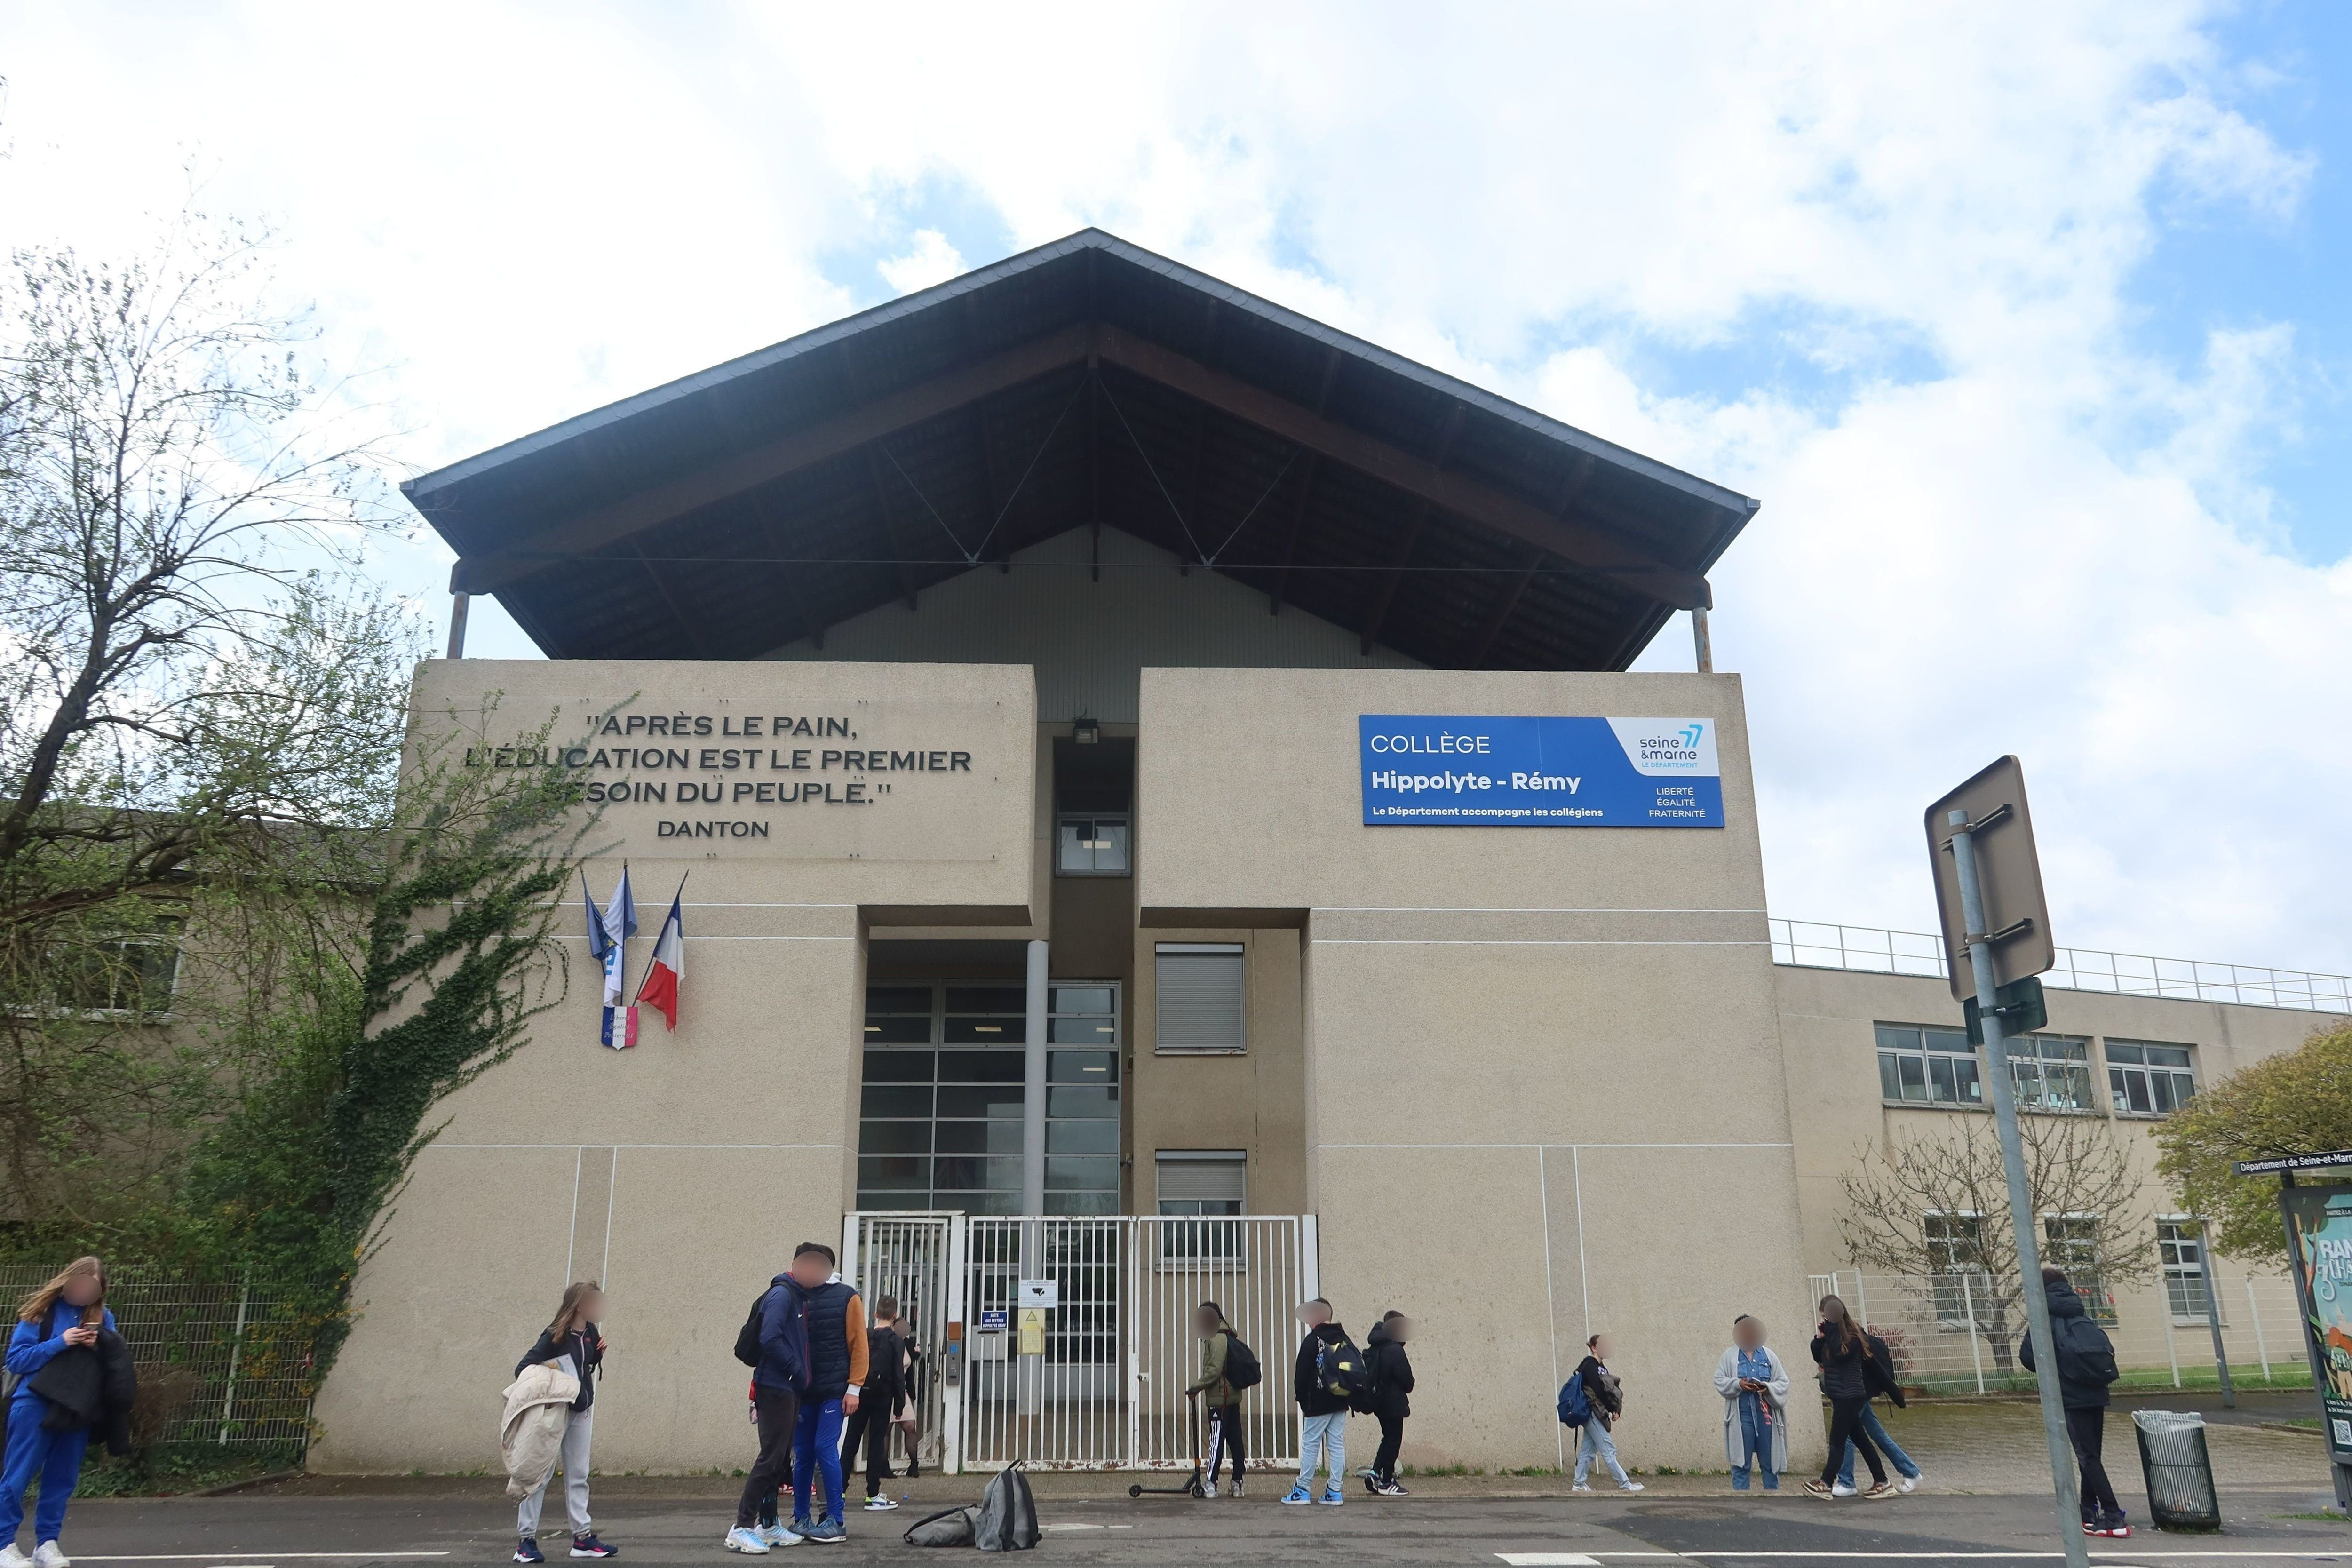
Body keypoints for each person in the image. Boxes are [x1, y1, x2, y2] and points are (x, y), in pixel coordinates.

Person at [1, 1258, 116, 1568]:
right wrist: (61, 1342)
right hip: (34, 1402)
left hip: (79, 1405)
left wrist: (99, 1346)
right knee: (18, 1475)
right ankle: (4, 1544)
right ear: (66, 1282)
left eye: (92, 1286)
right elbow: (17, 1361)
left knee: (62, 1477)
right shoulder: (39, 1314)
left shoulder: (104, 1317)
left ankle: (47, 1544)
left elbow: (114, 1363)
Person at [511, 1282, 617, 1563]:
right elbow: (524, 1369)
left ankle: (582, 1538)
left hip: (581, 1411)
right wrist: (557, 1379)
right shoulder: (554, 1335)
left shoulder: (590, 1333)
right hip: (555, 1413)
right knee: (539, 1476)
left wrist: (598, 1354)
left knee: (579, 1475)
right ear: (579, 1305)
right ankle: (526, 1542)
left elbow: (586, 1365)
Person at [2019, 1266, 2128, 1538]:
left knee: (2087, 1456)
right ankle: (2088, 1510)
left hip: (2070, 1395)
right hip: (2096, 1391)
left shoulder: (2043, 1317)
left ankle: (2114, 1517)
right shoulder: (2079, 1311)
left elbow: (2029, 1359)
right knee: (2091, 1455)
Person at [726, 1260, 810, 1554]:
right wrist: (795, 1370)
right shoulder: (783, 1295)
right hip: (775, 1386)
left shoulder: (797, 1295)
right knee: (770, 1458)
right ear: (799, 1266)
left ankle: (769, 1524)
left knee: (779, 1459)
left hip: (787, 1387)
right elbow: (770, 1337)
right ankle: (742, 1527)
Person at [1806, 1295, 1891, 1499]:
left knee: (1837, 1440)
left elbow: (1839, 1354)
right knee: (1861, 1440)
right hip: (1840, 1395)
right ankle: (1882, 1482)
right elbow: (1820, 1357)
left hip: (1850, 1395)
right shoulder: (1832, 1336)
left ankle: (1826, 1483)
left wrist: (1831, 1330)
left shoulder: (1852, 1337)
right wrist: (1819, 1339)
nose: (1825, 1322)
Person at [1833, 1315, 1923, 1496]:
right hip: (1861, 1395)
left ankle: (1847, 1482)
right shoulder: (1861, 1340)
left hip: (1856, 1396)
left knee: (1848, 1437)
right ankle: (1911, 1472)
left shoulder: (1853, 1343)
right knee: (1877, 1434)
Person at [836, 1294, 906, 1512]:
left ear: (876, 1314)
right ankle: (873, 1495)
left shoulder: (865, 1336)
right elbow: (898, 1374)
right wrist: (900, 1403)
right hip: (883, 1396)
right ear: (895, 1316)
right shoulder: (896, 1341)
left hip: (860, 1393)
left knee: (851, 1442)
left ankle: (839, 1491)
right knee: (877, 1443)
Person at [1284, 1298, 1351, 1507]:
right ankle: (1334, 1491)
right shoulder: (1343, 1338)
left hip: (1319, 1401)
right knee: (1337, 1445)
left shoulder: (1313, 1340)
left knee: (1311, 1444)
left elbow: (1301, 1374)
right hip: (1341, 1399)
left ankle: (1302, 1489)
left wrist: (1302, 1399)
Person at [1712, 1315, 1790, 1492]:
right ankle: (1741, 1500)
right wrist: (1738, 1384)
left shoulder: (1769, 1356)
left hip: (1767, 1417)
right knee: (1741, 1463)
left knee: (1770, 1462)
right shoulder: (1729, 1356)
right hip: (1742, 1417)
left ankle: (1772, 1498)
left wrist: (1767, 1387)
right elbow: (1719, 1380)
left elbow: (1783, 1382)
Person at [1570, 1332, 1644, 1493]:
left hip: (1596, 1413)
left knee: (1588, 1451)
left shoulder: (1601, 1367)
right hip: (1592, 1413)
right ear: (1594, 1348)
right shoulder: (1590, 1365)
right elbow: (1598, 1390)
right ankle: (1625, 1484)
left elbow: (1609, 1391)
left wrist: (1615, 1410)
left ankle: (1579, 1484)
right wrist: (1611, 1409)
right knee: (1608, 1450)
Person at [1185, 1302, 1245, 1498]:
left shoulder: (1218, 1338)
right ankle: (1237, 1483)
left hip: (1221, 1400)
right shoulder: (1227, 1335)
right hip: (1230, 1397)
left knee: (1217, 1441)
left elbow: (1214, 1371)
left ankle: (1211, 1483)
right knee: (1235, 1441)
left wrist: (1195, 1388)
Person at [1362, 1310, 1414, 1497]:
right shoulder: (1394, 1349)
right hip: (1393, 1404)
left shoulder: (1377, 1346)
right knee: (1393, 1441)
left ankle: (1375, 1473)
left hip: (1379, 1403)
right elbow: (1408, 1382)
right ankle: (1387, 1481)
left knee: (1387, 1439)